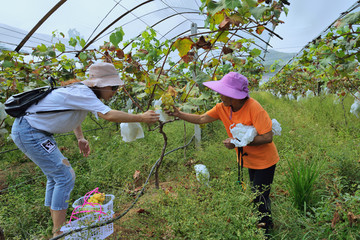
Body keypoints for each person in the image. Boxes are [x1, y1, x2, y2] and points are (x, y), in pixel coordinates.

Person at [10, 62, 160, 237]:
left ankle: (57, 226)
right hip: (29, 132)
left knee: (56, 176)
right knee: (65, 176)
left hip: (36, 132)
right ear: (100, 85)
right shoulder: (83, 92)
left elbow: (75, 112)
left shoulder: (83, 93)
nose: (114, 91)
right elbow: (108, 115)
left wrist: (80, 137)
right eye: (113, 87)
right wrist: (141, 117)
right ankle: (58, 232)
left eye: (117, 87)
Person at [166, 72, 279, 235]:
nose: (219, 95)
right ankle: (262, 224)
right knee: (257, 193)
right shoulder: (222, 108)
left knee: (259, 196)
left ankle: (265, 232)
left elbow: (268, 137)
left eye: (223, 92)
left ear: (234, 96)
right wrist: (178, 114)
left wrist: (237, 142)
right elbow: (201, 119)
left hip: (265, 161)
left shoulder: (254, 108)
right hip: (248, 160)